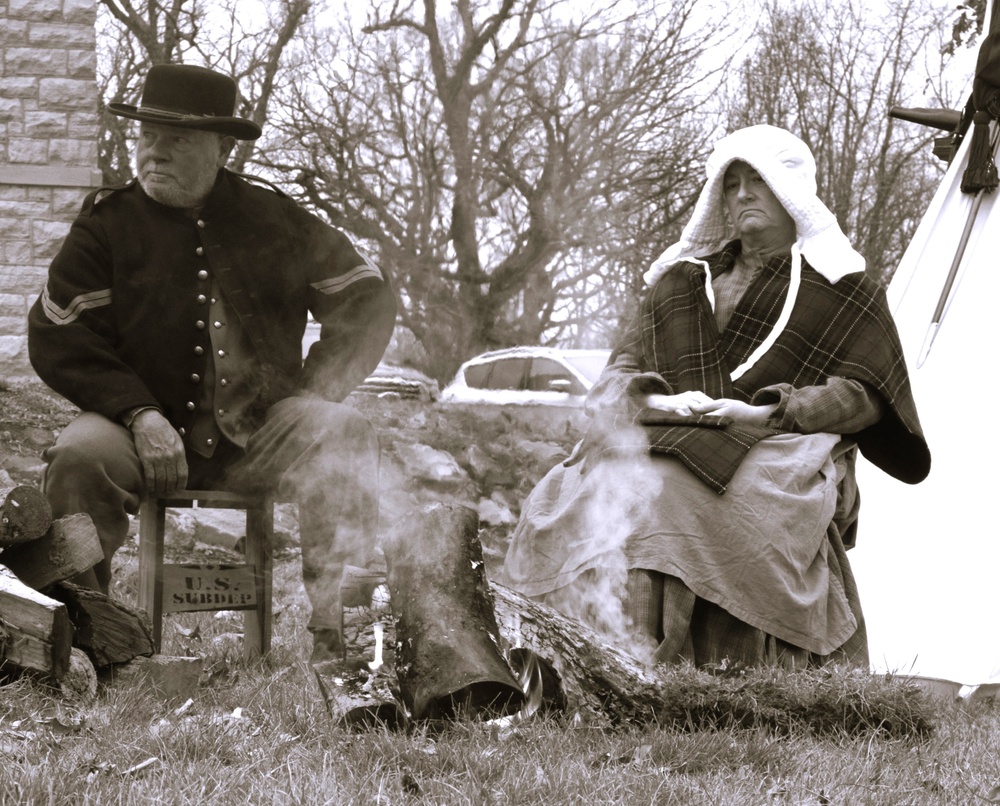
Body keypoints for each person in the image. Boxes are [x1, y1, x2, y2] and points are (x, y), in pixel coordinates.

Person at [501, 125, 930, 669]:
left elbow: (865, 396)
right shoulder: (678, 283)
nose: (744, 194)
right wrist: (656, 403)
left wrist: (766, 411)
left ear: (792, 192)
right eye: (732, 184)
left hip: (777, 444)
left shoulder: (845, 286)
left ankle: (680, 667)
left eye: (760, 181)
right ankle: (575, 659)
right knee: (568, 489)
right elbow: (616, 375)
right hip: (660, 431)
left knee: (664, 491)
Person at [27, 63, 397, 663]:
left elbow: (367, 296)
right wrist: (139, 412)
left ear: (224, 148)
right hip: (134, 437)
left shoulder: (277, 219)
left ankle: (349, 647)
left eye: (178, 139)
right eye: (148, 136)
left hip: (262, 441)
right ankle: (81, 641)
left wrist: (313, 392)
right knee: (79, 455)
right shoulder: (107, 225)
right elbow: (58, 331)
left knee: (344, 434)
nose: (156, 152)